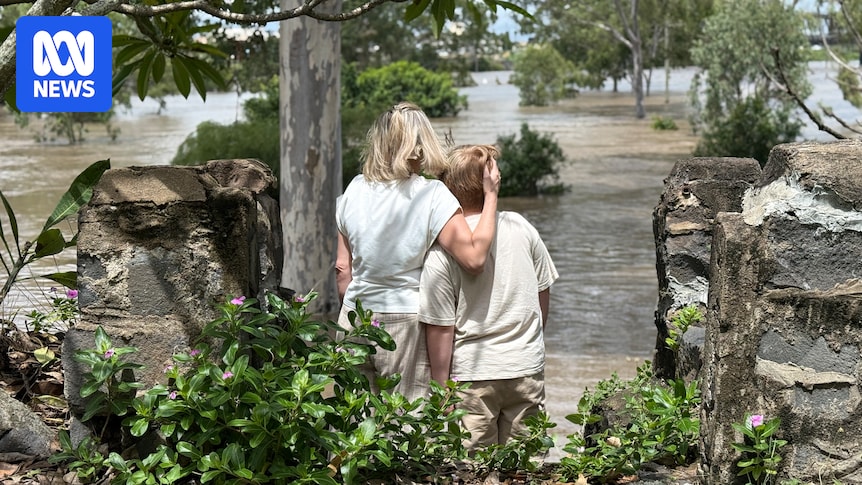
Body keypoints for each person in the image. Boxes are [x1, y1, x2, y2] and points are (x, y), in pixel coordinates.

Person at [335, 102, 501, 403]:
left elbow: (342, 270)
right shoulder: (431, 194)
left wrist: (357, 308)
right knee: (404, 419)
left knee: (351, 419)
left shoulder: (354, 188)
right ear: (420, 145)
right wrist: (490, 196)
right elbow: (475, 259)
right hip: (403, 323)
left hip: (353, 317)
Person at [418, 144, 558, 452]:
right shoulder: (521, 227)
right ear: (492, 182)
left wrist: (441, 391)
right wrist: (528, 344)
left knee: (472, 468)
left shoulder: (443, 251)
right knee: (524, 465)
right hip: (524, 367)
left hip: (473, 375)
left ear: (446, 190)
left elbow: (441, 327)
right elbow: (542, 293)